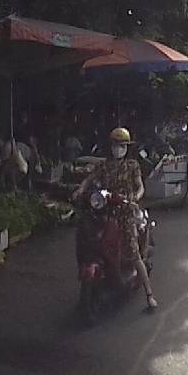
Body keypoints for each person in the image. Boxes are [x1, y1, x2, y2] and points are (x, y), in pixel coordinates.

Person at [73, 127, 157, 312]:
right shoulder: (104, 166)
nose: (118, 149)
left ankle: (149, 295)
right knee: (90, 237)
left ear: (127, 148)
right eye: (115, 145)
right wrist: (80, 189)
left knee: (133, 252)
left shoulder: (132, 165)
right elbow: (90, 179)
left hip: (126, 212)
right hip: (105, 211)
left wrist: (135, 197)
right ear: (110, 147)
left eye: (122, 146)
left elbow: (140, 186)